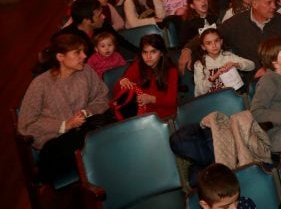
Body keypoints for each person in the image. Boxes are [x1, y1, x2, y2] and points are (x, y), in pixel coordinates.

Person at [17, 34, 112, 183]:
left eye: (83, 51)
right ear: (60, 56)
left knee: (105, 133)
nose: (84, 56)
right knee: (96, 145)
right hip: (56, 143)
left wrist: (87, 112)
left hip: (83, 134)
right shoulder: (40, 84)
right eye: (77, 52)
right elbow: (26, 125)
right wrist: (64, 125)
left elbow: (103, 97)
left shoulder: (86, 72)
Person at [117, 34, 178, 119]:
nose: (148, 57)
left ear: (161, 53)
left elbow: (171, 101)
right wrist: (123, 81)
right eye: (145, 52)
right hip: (142, 116)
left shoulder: (171, 71)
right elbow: (118, 91)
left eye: (153, 52)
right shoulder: (138, 65)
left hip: (166, 116)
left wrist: (152, 99)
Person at [195, 163, 273, 209]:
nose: (234, 208)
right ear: (205, 205)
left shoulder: (245, 204)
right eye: (226, 207)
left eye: (236, 200)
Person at [193, 28, 256, 96]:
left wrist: (236, 65)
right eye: (209, 43)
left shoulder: (228, 56)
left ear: (221, 41)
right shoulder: (199, 64)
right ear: (203, 47)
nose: (214, 45)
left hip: (232, 97)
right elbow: (198, 91)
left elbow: (252, 65)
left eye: (216, 41)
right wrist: (213, 77)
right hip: (212, 101)